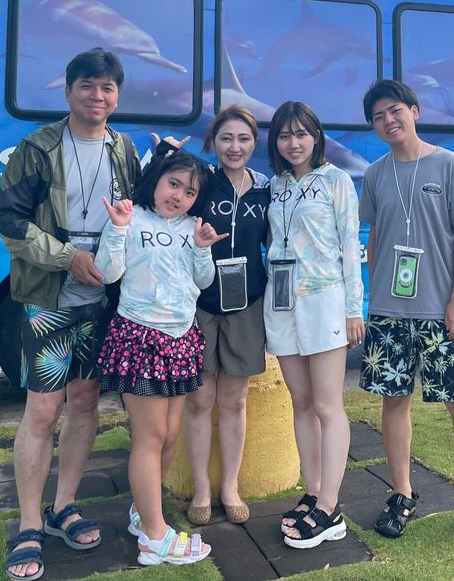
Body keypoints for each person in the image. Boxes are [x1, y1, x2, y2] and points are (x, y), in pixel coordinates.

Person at [0, 47, 186, 580]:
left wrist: (165, 162)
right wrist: (69, 257)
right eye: (87, 85)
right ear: (68, 91)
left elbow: (145, 204)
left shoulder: (123, 149)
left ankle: (64, 506)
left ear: (117, 96)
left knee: (84, 403)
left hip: (103, 298)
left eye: (107, 87)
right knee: (42, 410)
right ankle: (29, 524)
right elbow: (10, 222)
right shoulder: (37, 148)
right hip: (49, 295)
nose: (97, 96)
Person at [358, 79, 454, 546]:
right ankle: (401, 494)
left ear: (415, 111)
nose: (388, 120)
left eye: (395, 110)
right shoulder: (375, 174)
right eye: (378, 116)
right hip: (388, 312)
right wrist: (373, 295)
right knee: (393, 402)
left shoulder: (449, 164)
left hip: (441, 311)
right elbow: (375, 236)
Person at [95, 151, 223, 566]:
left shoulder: (192, 228)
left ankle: (143, 513)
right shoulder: (131, 218)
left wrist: (201, 249)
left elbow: (203, 281)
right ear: (156, 180)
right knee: (149, 438)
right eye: (173, 184)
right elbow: (107, 272)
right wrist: (117, 228)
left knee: (169, 436)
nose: (179, 196)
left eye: (190, 192)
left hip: (181, 339)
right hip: (139, 336)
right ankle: (154, 536)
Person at [264, 101, 364, 549]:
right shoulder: (274, 185)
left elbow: (350, 247)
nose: (293, 143)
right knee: (301, 403)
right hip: (281, 303)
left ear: (316, 136)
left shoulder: (337, 181)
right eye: (285, 135)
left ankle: (329, 506)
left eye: (301, 134)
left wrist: (354, 309)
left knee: (327, 406)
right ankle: (313, 491)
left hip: (325, 302)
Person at [182, 105, 271, 526]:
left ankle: (230, 487)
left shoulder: (266, 189)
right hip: (200, 303)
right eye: (226, 138)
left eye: (244, 139)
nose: (235, 147)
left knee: (234, 400)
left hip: (247, 304)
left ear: (254, 143)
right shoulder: (200, 183)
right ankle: (202, 489)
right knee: (200, 399)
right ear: (213, 142)